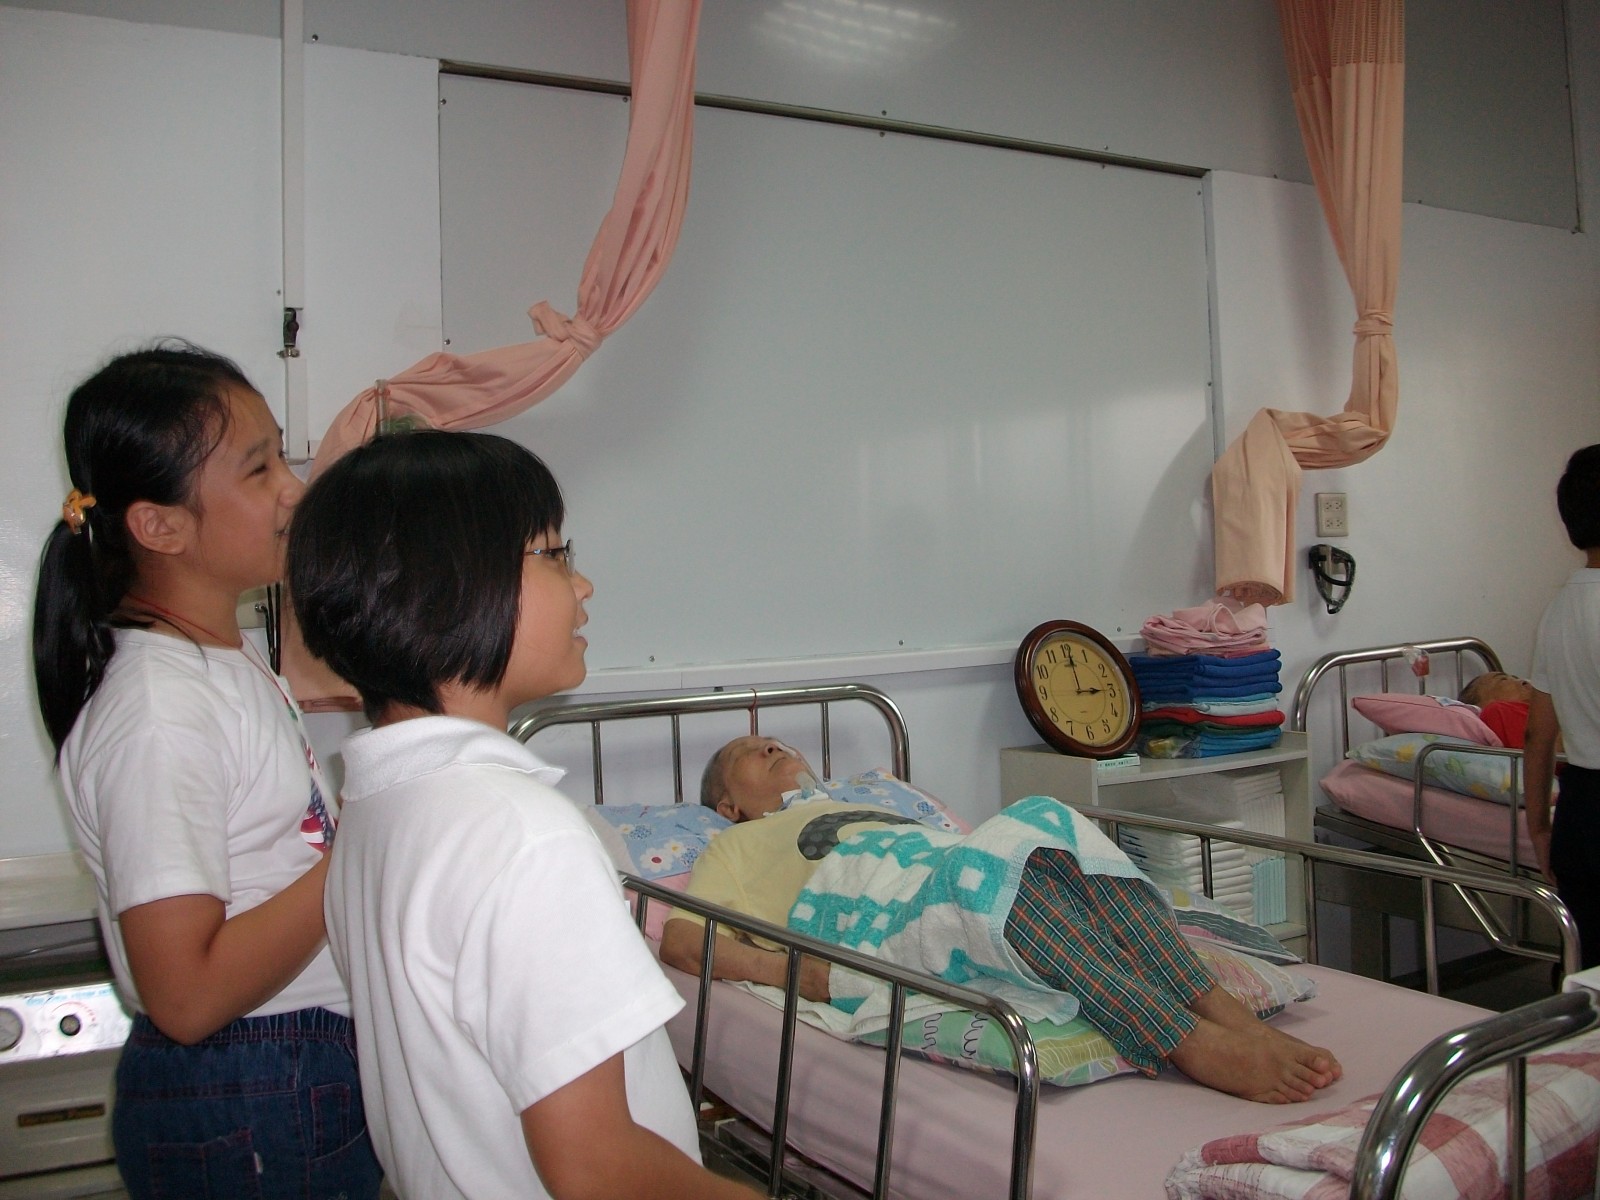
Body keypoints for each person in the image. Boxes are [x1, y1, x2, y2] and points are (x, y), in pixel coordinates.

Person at [289, 430, 757, 1200]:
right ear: (450, 588)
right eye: (554, 553)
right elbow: (596, 1166)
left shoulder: (382, 807)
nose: (584, 585)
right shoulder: (523, 834)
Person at [30, 344, 382, 1199]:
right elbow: (185, 996)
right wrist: (363, 846)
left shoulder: (222, 663)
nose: (293, 489)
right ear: (160, 526)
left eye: (282, 457)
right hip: (251, 1081)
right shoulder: (160, 708)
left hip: (287, 1068)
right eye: (259, 469)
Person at [661, 736, 1342, 1105]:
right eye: (751, 751)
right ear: (727, 806)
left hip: (940, 868)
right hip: (873, 907)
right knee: (992, 879)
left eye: (778, 741)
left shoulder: (884, 810)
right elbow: (683, 942)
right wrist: (802, 975)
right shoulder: (735, 846)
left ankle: (1220, 1009)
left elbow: (948, 852)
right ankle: (1184, 1039)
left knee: (1059, 832)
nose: (774, 746)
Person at [1526, 444, 1600, 969]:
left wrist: (1539, 829)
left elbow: (1538, 734)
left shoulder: (1559, 610)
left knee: (1586, 967)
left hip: (1581, 812)